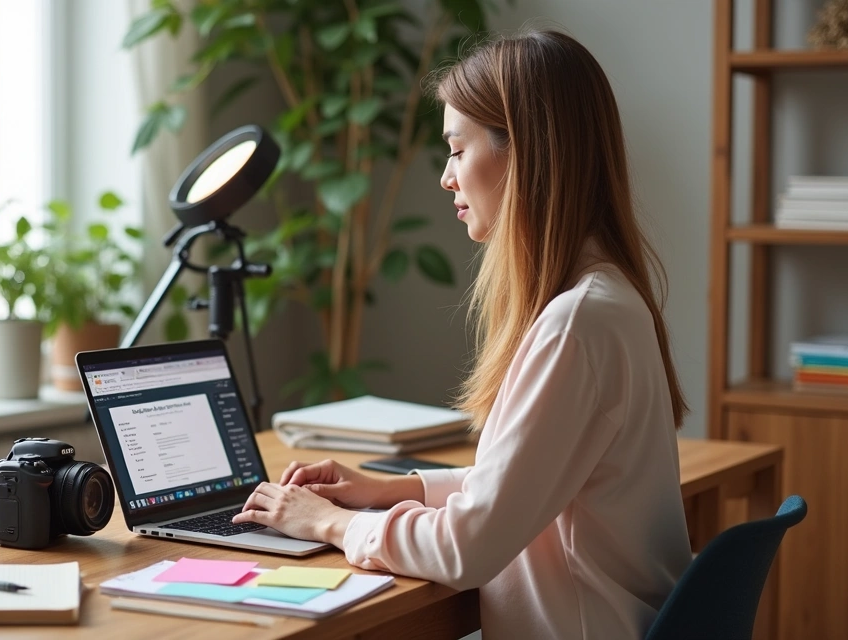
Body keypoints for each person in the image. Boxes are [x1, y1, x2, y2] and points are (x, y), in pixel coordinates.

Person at [232, 29, 692, 639]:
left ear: (526, 152)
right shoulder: (608, 299)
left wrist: (328, 523)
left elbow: (466, 548)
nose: (447, 177)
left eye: (455, 150)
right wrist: (388, 489)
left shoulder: (575, 326)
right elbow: (520, 486)